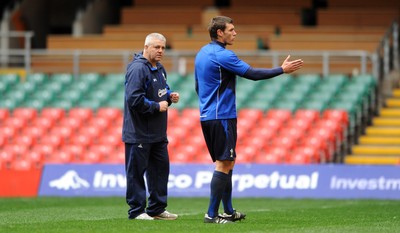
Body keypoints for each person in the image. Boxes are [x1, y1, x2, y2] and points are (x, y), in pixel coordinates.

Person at [194, 16, 304, 224]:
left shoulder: (202, 53)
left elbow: (198, 86)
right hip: (222, 116)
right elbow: (252, 73)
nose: (235, 33)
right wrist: (282, 70)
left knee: (229, 162)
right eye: (231, 30)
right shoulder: (222, 55)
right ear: (220, 33)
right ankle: (211, 214)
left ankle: (228, 211)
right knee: (224, 163)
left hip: (209, 115)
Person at [122, 32, 180, 220]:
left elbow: (161, 92)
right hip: (138, 132)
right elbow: (134, 99)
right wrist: (157, 106)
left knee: (160, 171)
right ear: (146, 47)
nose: (160, 51)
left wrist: (169, 97)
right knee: (136, 174)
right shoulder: (137, 68)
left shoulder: (160, 68)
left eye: (163, 47)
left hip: (157, 133)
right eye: (156, 47)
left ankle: (156, 209)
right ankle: (137, 211)